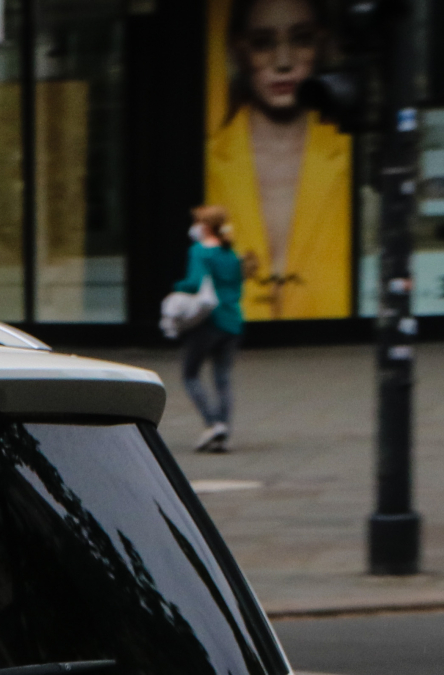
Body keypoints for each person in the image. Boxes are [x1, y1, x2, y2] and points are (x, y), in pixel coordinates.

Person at [205, 0, 350, 320]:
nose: (283, 62)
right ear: (239, 51)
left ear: (322, 43)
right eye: (262, 43)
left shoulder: (351, 157)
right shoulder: (208, 161)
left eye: (301, 39)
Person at [176, 205, 246, 452]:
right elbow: (238, 288)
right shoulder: (231, 254)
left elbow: (195, 283)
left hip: (207, 322)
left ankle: (212, 424)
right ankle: (223, 430)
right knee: (223, 379)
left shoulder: (199, 252)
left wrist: (178, 287)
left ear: (204, 227)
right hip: (232, 321)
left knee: (190, 374)